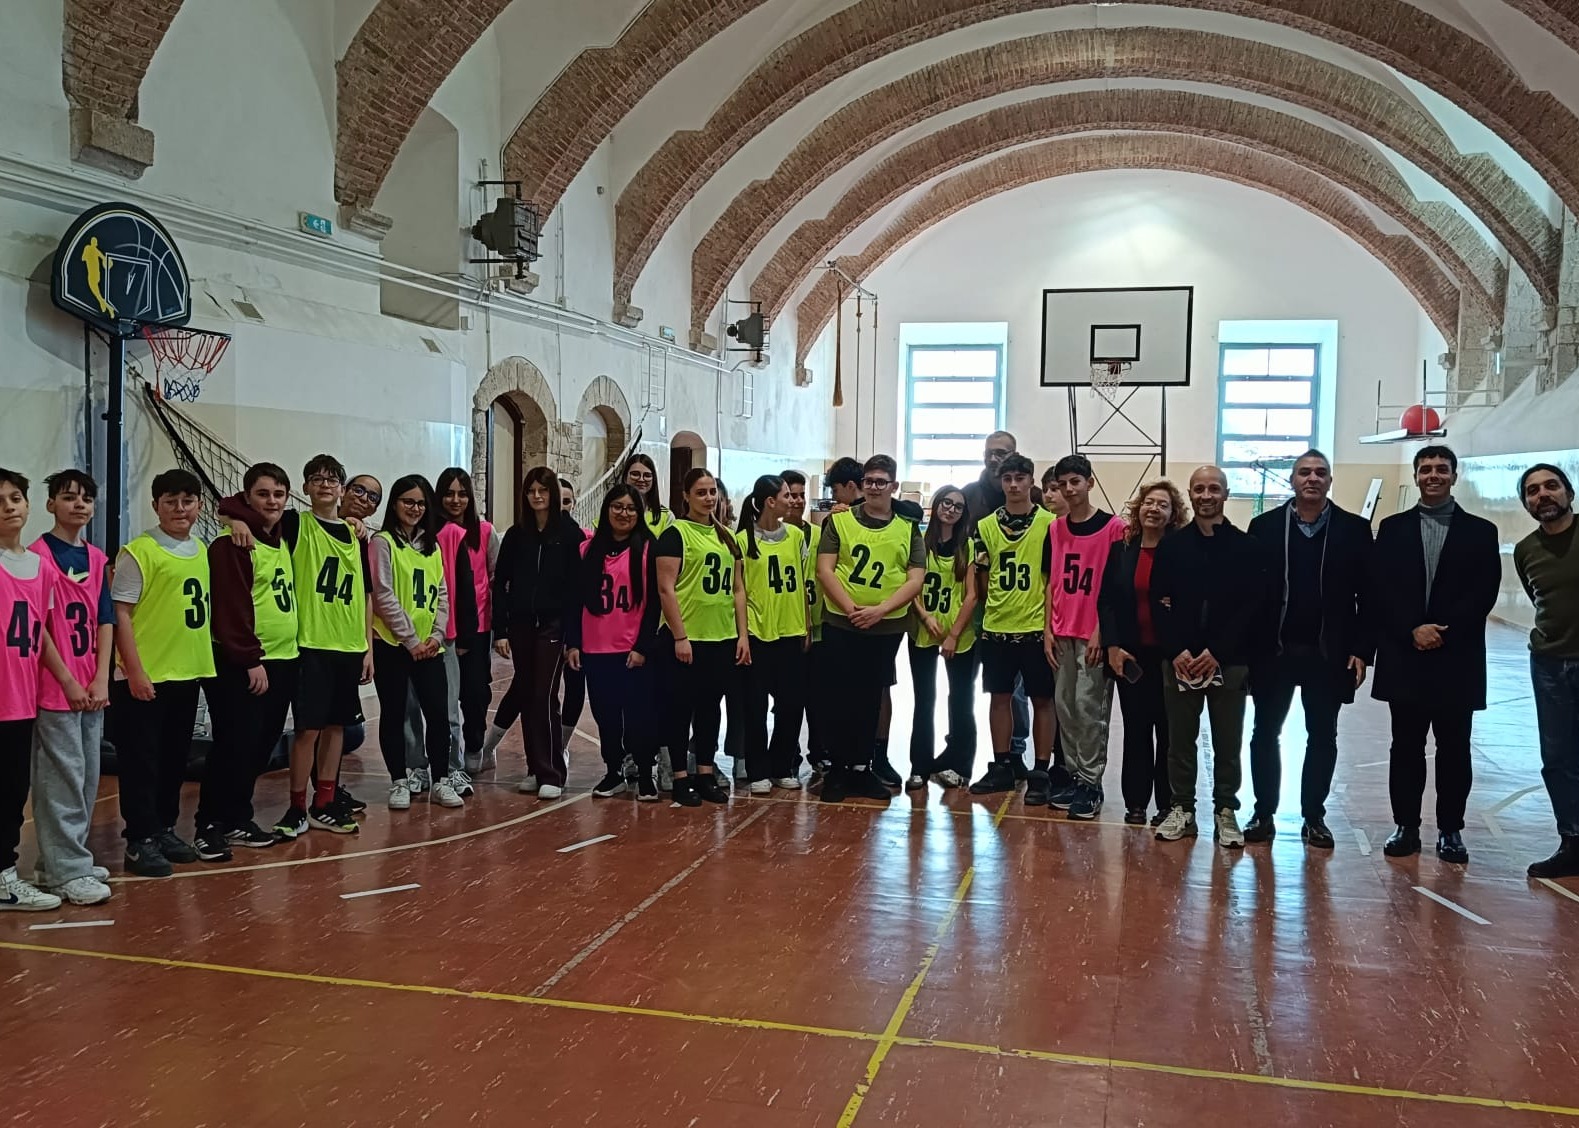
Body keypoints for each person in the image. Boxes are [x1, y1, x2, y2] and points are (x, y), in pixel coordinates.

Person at [224, 455, 372, 838]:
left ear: (342, 489)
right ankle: (297, 807)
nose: (325, 485)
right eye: (316, 479)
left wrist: (367, 647)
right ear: (305, 489)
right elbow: (242, 507)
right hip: (311, 643)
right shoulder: (295, 524)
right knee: (307, 729)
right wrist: (234, 520)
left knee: (337, 727)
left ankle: (325, 802)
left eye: (333, 480)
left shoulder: (357, 536)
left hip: (349, 644)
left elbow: (364, 594)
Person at [1371, 446, 1499, 864]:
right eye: (1425, 469)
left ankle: (1450, 830)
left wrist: (1442, 631)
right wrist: (1412, 628)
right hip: (1405, 653)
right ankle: (1406, 825)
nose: (1433, 475)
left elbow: (1484, 593)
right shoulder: (1391, 529)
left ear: (1454, 476)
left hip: (1455, 656)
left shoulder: (1482, 532)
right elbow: (1380, 590)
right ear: (1416, 475)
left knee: (1454, 748)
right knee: (1404, 746)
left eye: (1441, 469)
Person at [1244, 450, 1373, 849]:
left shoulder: (1354, 529)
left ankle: (1313, 816)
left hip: (1328, 652)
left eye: (1320, 473)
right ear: (1292, 480)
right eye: (1304, 472)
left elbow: (1369, 595)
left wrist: (1362, 649)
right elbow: (1249, 596)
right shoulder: (1263, 527)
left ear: (1330, 481)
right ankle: (1263, 813)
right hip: (1274, 651)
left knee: (1323, 735)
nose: (1312, 478)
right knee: (1265, 732)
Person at [1150, 466, 1266, 848]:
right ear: (1191, 494)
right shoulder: (1172, 546)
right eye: (1198, 489)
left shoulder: (1244, 546)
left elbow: (1250, 607)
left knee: (1227, 741)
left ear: (1225, 494)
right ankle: (1182, 807)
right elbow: (1159, 603)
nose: (1205, 495)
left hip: (1227, 664)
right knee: (1179, 742)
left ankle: (1225, 810)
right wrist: (1178, 650)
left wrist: (1217, 652)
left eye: (1213, 489)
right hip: (1179, 662)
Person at [112, 469, 216, 876]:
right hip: (146, 676)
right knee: (142, 760)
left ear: (199, 506)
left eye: (187, 501)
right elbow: (120, 613)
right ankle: (139, 838)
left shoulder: (201, 550)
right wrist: (133, 671)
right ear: (155, 505)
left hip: (186, 672)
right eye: (170, 501)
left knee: (174, 757)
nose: (179, 508)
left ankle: (165, 827)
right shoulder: (139, 551)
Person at [195, 463, 301, 861]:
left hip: (285, 659)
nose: (271, 501)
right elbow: (229, 608)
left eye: (278, 494)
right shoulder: (231, 544)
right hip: (246, 663)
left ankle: (238, 815)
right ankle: (209, 824)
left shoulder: (281, 535)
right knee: (233, 744)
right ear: (247, 497)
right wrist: (249, 658)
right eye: (262, 494)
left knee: (258, 748)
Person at [815, 455, 925, 803]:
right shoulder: (841, 522)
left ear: (894, 486)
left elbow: (916, 578)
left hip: (885, 626)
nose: (874, 487)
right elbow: (825, 569)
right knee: (838, 696)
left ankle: (862, 769)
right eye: (869, 481)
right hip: (841, 622)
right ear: (861, 485)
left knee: (870, 697)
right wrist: (851, 610)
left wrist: (880, 610)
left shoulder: (907, 528)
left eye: (881, 481)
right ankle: (837, 771)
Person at [29, 470, 114, 905]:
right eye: (68, 498)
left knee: (86, 778)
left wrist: (101, 676)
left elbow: (105, 622)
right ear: (50, 505)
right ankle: (68, 869)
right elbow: (38, 628)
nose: (78, 505)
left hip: (90, 684)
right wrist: (66, 679)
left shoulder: (97, 559)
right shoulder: (37, 557)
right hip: (54, 685)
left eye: (85, 498)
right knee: (61, 778)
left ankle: (62, 862)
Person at [1, 469, 82, 909]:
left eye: (16, 498)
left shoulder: (39, 567)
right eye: (1, 501)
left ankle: (5, 872)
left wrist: (66, 678)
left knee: (14, 792)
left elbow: (41, 631)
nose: (10, 507)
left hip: (21, 697)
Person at [656, 468, 749, 806]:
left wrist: (742, 635)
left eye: (713, 492)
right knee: (681, 710)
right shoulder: (675, 534)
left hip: (722, 637)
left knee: (711, 709)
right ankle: (680, 777)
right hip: (688, 639)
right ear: (686, 496)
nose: (709, 498)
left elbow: (738, 589)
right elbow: (666, 589)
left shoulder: (728, 537)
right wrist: (680, 636)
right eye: (701, 492)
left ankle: (706, 774)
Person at [1098, 479, 1188, 826]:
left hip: (1170, 657)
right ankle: (1136, 803)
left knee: (1168, 732)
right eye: (1149, 503)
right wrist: (1113, 646)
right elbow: (1107, 602)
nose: (1154, 509)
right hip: (1131, 657)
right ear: (1139, 508)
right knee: (1136, 731)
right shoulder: (1122, 550)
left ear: (1172, 513)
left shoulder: (1179, 551)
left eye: (1163, 505)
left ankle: (1168, 805)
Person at [493, 466, 585, 799]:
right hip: (520, 626)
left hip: (553, 625)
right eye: (531, 491)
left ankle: (552, 772)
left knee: (545, 695)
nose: (537, 496)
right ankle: (535, 767)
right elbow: (500, 583)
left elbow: (577, 590)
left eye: (542, 491)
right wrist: (500, 629)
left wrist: (573, 638)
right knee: (529, 694)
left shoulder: (570, 535)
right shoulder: (516, 535)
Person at [967, 453, 1056, 797]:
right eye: (1008, 479)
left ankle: (1041, 772)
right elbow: (983, 581)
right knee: (999, 698)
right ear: (1001, 482)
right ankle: (1002, 764)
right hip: (997, 627)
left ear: (1032, 481)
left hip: (1037, 628)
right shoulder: (986, 526)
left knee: (1042, 700)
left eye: (1021, 478)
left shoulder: (1051, 524)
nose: (1014, 485)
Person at [1043, 455, 1126, 818]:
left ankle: (1091, 782)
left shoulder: (1113, 527)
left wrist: (1102, 633)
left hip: (1091, 634)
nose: (1070, 489)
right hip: (1061, 631)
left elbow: (1116, 588)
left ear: (1090, 483)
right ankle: (1076, 776)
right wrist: (1047, 629)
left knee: (1090, 709)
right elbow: (1052, 583)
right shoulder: (1055, 528)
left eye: (1076, 481)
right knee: (1066, 708)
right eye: (1063, 483)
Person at [567, 485, 662, 800]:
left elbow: (653, 604)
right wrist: (574, 643)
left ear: (640, 513)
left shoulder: (648, 549)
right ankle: (613, 771)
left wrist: (642, 647)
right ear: (606, 510)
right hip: (595, 649)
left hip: (631, 650)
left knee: (639, 716)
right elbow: (575, 601)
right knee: (605, 717)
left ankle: (645, 773)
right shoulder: (586, 550)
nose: (624, 514)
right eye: (618, 507)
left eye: (631, 508)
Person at [370, 475, 459, 810]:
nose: (415, 508)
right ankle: (399, 780)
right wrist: (410, 640)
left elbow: (442, 594)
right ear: (395, 503)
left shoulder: (432, 546)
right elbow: (384, 595)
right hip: (394, 645)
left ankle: (441, 780)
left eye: (420, 503)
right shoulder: (383, 542)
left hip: (428, 646)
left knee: (437, 715)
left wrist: (436, 634)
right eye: (408, 501)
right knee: (394, 714)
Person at [1514, 463, 1579, 878]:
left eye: (1551, 486)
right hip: (1550, 664)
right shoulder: (1526, 550)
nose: (1543, 495)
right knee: (1557, 757)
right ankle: (1572, 841)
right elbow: (1540, 600)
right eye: (1533, 491)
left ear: (1569, 492)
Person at [962, 431, 1038, 777]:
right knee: (973, 689)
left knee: (1018, 694)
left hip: (1022, 615)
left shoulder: (1037, 503)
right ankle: (964, 753)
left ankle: (1016, 754)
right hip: (975, 610)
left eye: (1003, 454)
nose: (996, 459)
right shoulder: (968, 496)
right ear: (983, 456)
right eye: (991, 453)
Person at [733, 475, 809, 794]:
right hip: (758, 633)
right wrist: (743, 637)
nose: (793, 501)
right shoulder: (742, 540)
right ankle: (757, 769)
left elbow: (803, 584)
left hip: (791, 632)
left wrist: (806, 626)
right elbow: (738, 591)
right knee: (755, 707)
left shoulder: (795, 535)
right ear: (770, 502)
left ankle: (782, 766)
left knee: (791, 705)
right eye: (786, 496)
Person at [908, 485, 978, 789]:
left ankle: (960, 765)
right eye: (946, 503)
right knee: (924, 699)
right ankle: (919, 766)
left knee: (961, 699)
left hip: (959, 635)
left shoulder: (969, 546)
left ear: (963, 514)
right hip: (923, 630)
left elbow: (973, 595)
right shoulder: (918, 542)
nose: (950, 509)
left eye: (958, 506)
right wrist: (925, 617)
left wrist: (953, 634)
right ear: (936, 505)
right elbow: (909, 588)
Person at [435, 467, 499, 777]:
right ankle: (447, 756)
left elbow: (497, 577)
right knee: (444, 698)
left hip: (477, 628)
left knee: (475, 693)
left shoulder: (485, 531)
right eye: (449, 493)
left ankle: (475, 747)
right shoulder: (431, 531)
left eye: (462, 494)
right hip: (440, 628)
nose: (455, 500)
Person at [780, 468, 827, 776]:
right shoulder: (777, 536)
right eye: (791, 495)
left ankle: (819, 751)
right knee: (789, 697)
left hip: (820, 626)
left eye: (801, 495)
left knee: (819, 696)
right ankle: (789, 752)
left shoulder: (821, 533)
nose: (796, 501)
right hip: (790, 626)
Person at [558, 476, 588, 760]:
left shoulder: (581, 539)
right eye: (558, 501)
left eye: (567, 501)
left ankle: (561, 747)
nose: (562, 507)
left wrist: (574, 639)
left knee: (575, 689)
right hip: (545, 629)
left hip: (576, 630)